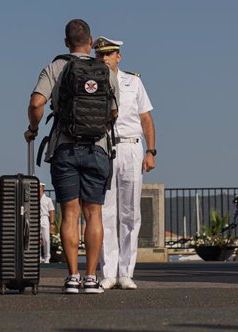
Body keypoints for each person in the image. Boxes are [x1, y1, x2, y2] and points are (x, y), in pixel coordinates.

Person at [24, 19, 119, 294]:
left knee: (70, 213)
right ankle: (92, 277)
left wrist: (33, 128)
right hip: (98, 149)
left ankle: (73, 277)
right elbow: (114, 112)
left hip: (65, 147)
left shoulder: (56, 67)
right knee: (94, 214)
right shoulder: (105, 70)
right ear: (91, 43)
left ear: (66, 42)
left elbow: (36, 103)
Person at [94, 37, 156, 289]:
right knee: (106, 212)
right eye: (101, 55)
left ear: (118, 56)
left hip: (131, 146)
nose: (105, 58)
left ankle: (126, 271)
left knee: (130, 212)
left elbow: (146, 119)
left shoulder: (134, 82)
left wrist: (151, 151)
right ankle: (108, 272)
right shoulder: (93, 83)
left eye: (109, 54)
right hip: (105, 146)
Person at [39, 183, 56, 263]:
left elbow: (51, 211)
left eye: (39, 187)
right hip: (36, 218)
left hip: (45, 218)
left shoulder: (48, 199)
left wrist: (52, 223)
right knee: (36, 239)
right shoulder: (34, 198)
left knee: (46, 239)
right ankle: (38, 256)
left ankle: (47, 257)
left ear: (42, 188)